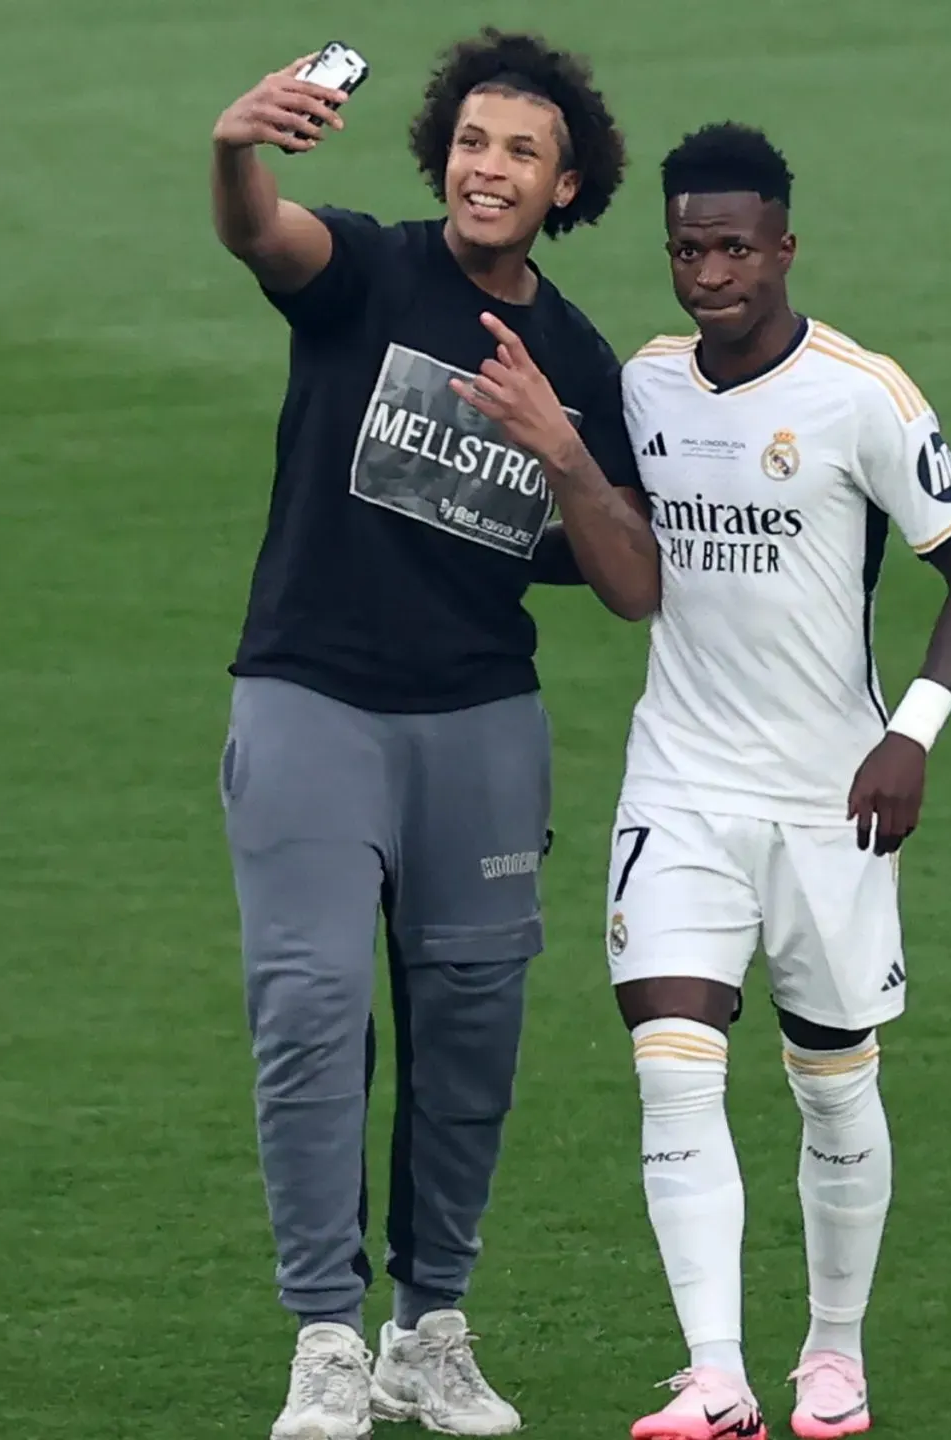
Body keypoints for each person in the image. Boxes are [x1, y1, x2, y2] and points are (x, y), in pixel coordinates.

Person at [207, 28, 658, 1440]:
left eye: (520, 151)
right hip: (312, 702)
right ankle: (327, 1338)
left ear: (564, 184)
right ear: (439, 156)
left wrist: (560, 446)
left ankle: (430, 1332)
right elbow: (262, 236)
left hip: (478, 723)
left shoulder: (575, 358)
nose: (488, 168)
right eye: (471, 141)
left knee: (471, 1032)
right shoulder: (368, 273)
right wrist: (234, 149)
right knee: (314, 1008)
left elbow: (635, 585)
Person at [605, 123, 951, 1440]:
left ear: (784, 247)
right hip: (681, 781)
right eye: (685, 247)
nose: (708, 271)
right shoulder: (647, 386)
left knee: (833, 1080)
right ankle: (713, 1374)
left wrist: (915, 735)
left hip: (834, 796)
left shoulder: (861, 396)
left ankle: (832, 1357)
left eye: (733, 247)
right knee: (674, 1065)